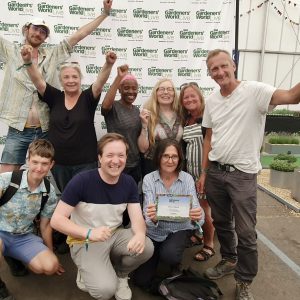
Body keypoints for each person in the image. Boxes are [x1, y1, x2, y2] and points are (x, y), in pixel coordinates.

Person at [197, 49, 300, 300]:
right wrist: (203, 173)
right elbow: (209, 136)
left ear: (233, 65)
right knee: (222, 223)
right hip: (216, 174)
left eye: (223, 66)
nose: (220, 72)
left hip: (243, 175)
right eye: (214, 69)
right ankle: (230, 260)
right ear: (210, 74)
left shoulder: (255, 91)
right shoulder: (211, 100)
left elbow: (292, 96)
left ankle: (244, 280)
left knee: (246, 232)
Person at [0, 0, 113, 173]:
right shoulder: (10, 50)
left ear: (46, 38)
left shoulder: (53, 54)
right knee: (5, 177)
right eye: (36, 29)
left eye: (43, 32)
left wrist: (104, 14)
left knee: (43, 175)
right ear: (26, 29)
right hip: (17, 128)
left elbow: (79, 34)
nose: (38, 33)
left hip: (46, 128)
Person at [50, 133, 154, 300]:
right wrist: (89, 233)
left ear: (126, 157)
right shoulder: (81, 181)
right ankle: (85, 271)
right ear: (99, 158)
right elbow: (56, 220)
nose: (116, 160)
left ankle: (121, 275)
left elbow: (137, 219)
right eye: (110, 155)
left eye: (121, 155)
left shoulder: (128, 182)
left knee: (147, 247)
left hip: (114, 234)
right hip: (85, 239)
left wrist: (141, 234)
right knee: (105, 291)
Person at [21, 46, 116, 193]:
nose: (71, 80)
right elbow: (38, 80)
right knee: (67, 198)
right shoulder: (55, 97)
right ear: (61, 81)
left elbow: (100, 82)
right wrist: (28, 61)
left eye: (74, 77)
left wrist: (109, 64)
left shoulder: (88, 97)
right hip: (59, 163)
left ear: (80, 79)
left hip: (85, 162)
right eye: (66, 77)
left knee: (85, 199)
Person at [133, 139, 204, 293]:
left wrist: (197, 216)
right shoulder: (149, 179)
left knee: (170, 254)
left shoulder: (187, 178)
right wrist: (152, 218)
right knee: (140, 280)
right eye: (166, 156)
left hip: (179, 229)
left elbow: (198, 213)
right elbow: (147, 214)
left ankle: (174, 263)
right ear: (158, 157)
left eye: (174, 157)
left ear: (179, 159)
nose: (170, 161)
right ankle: (167, 285)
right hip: (155, 231)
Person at [0, 139, 63, 300]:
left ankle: (12, 257)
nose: (39, 168)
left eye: (44, 163)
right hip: (1, 233)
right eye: (35, 162)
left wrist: (50, 251)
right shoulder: (7, 179)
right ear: (28, 160)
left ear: (51, 164)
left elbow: (45, 226)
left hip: (23, 237)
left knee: (50, 266)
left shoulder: (48, 192)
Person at [179, 82, 215, 260]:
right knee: (195, 208)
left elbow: (211, 147)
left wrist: (205, 174)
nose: (190, 99)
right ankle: (199, 235)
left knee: (204, 210)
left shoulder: (208, 117)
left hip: (205, 174)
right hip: (191, 174)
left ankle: (209, 245)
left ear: (200, 97)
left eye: (193, 95)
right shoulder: (186, 119)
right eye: (186, 97)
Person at [101, 65, 142, 184]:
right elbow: (105, 105)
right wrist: (119, 77)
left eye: (134, 88)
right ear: (119, 89)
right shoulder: (113, 107)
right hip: (116, 163)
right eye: (126, 88)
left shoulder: (136, 111)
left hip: (134, 164)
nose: (131, 91)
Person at [138, 78, 183, 177]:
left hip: (175, 165)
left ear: (174, 93)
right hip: (153, 166)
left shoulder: (181, 114)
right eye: (161, 89)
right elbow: (142, 149)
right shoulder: (148, 114)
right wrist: (144, 126)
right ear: (156, 92)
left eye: (169, 89)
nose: (166, 92)